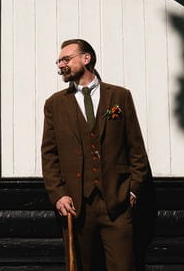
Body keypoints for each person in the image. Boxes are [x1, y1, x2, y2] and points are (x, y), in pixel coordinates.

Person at [41, 39, 151, 270]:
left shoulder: (119, 97)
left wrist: (133, 190)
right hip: (76, 205)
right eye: (59, 60)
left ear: (86, 58)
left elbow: (136, 149)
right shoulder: (55, 104)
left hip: (117, 202)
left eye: (66, 59)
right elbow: (49, 154)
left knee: (123, 266)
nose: (60, 65)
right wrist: (58, 194)